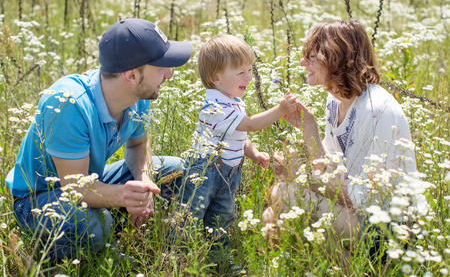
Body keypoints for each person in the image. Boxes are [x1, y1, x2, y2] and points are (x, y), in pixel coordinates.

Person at [6, 18, 193, 260]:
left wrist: (143, 181)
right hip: (38, 198)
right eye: (160, 67)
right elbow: (75, 188)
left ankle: (115, 236)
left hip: (89, 180)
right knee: (96, 224)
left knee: (176, 170)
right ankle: (62, 260)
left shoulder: (140, 96)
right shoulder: (67, 103)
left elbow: (138, 143)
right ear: (132, 75)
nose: (169, 75)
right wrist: (127, 197)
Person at [262, 19, 418, 243]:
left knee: (285, 195)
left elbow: (367, 200)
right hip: (359, 213)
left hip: (390, 228)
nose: (302, 63)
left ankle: (355, 266)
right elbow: (330, 168)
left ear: (335, 58)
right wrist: (309, 127)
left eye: (311, 57)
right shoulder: (335, 100)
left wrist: (306, 177)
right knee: (272, 219)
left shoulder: (377, 109)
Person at [178, 34, 298, 267]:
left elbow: (237, 136)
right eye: (241, 72)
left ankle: (221, 264)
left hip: (228, 173)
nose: (249, 77)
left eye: (250, 70)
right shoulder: (216, 106)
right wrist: (280, 110)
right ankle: (178, 259)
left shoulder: (231, 100)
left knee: (222, 218)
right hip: (206, 171)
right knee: (190, 217)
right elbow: (250, 125)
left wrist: (253, 154)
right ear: (215, 78)